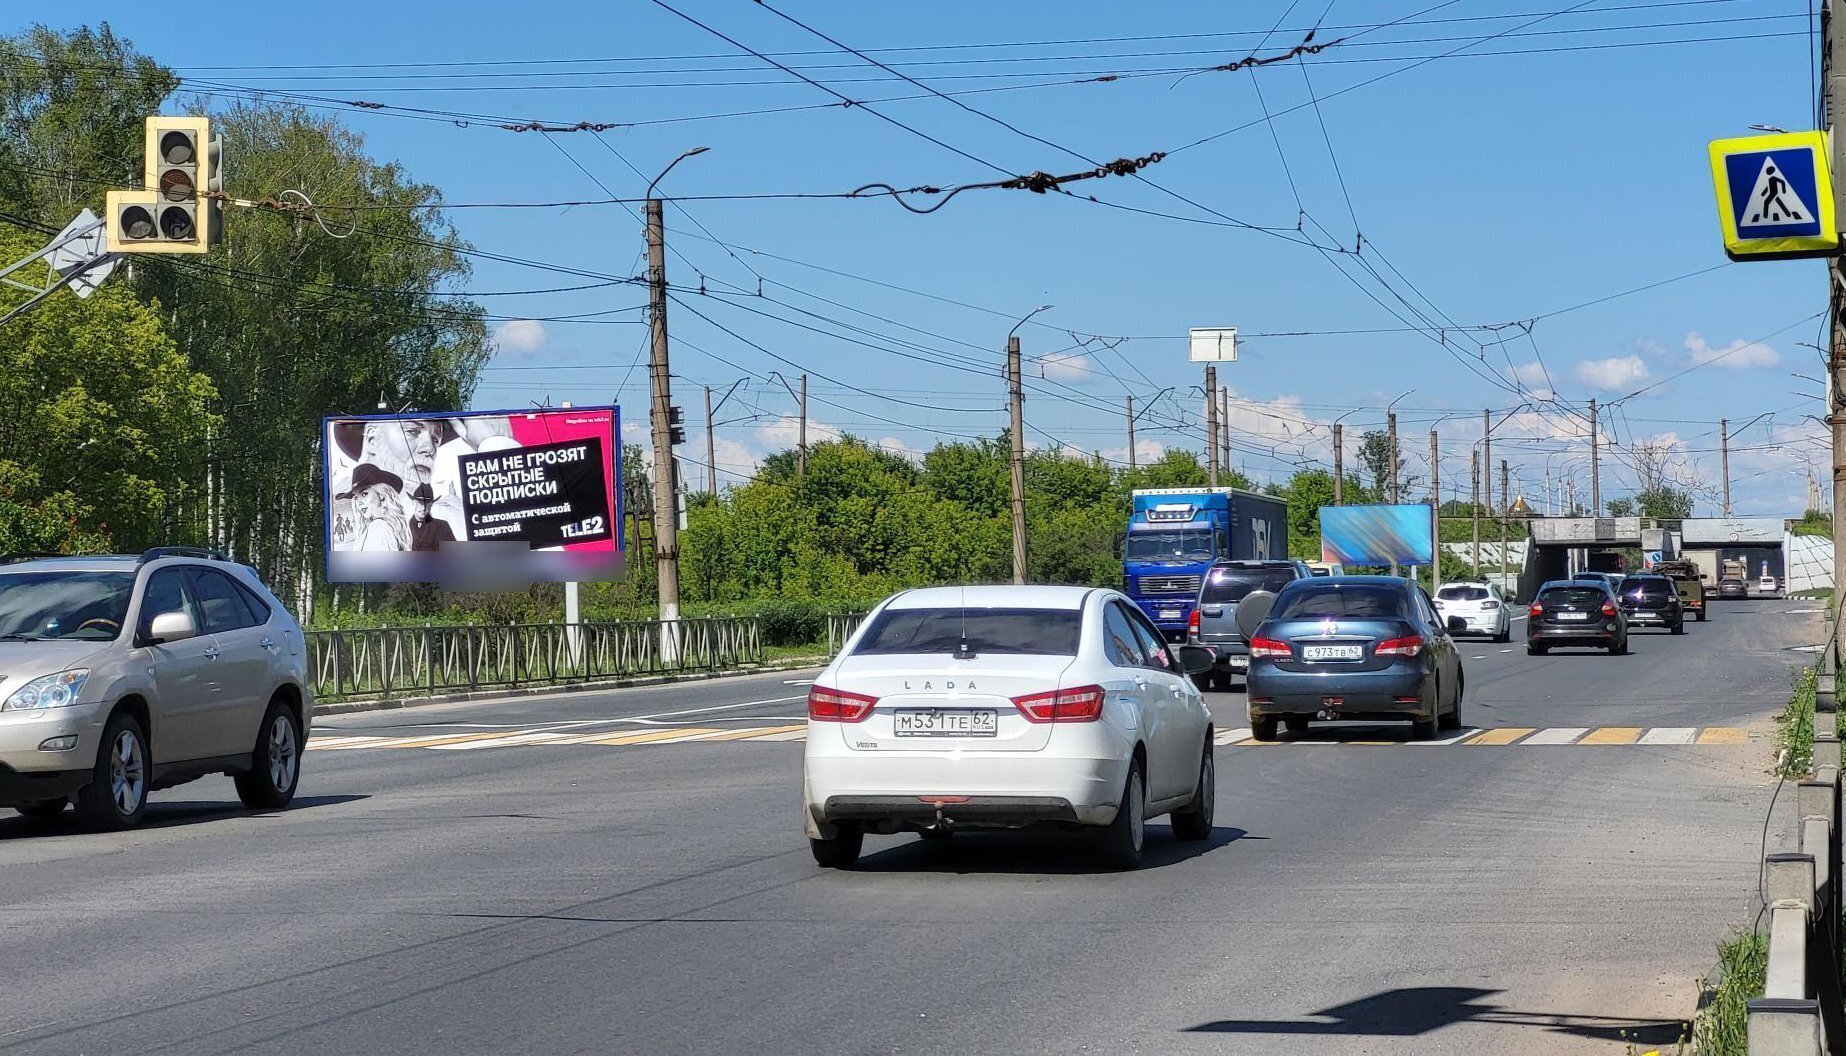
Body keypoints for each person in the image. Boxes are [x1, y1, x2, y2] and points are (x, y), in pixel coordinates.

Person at [344, 463, 410, 552]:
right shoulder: (382, 526)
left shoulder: (379, 527)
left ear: (381, 494)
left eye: (364, 494)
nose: (359, 502)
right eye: (356, 497)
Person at [408, 482, 457, 552]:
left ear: (431, 506)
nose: (424, 507)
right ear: (413, 502)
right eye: (420, 503)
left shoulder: (442, 526)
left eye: (427, 504)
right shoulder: (404, 527)